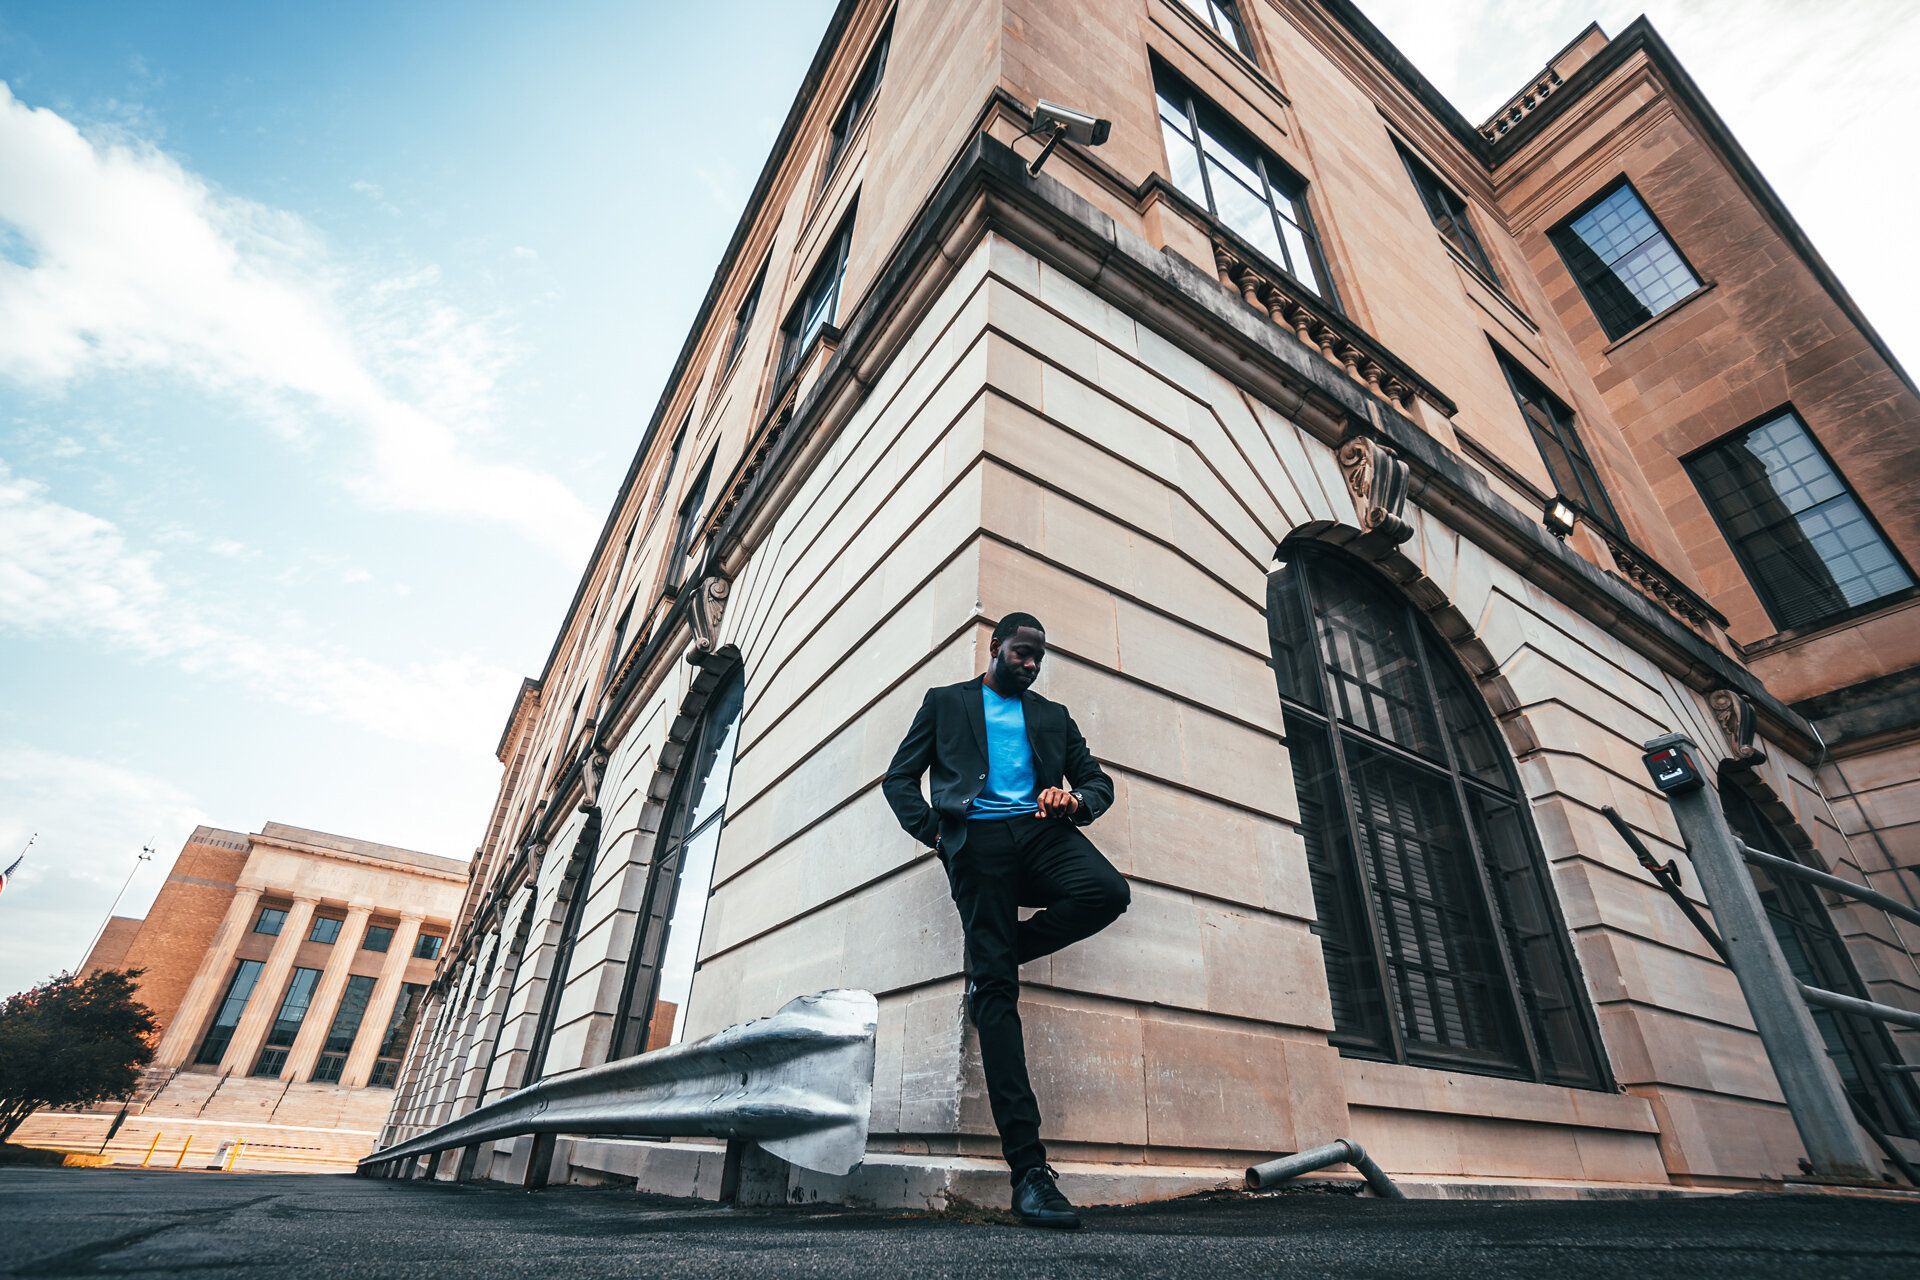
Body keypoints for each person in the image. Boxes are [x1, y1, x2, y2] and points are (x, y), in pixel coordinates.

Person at [883, 611, 1128, 1229]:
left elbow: (1098, 781)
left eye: (1039, 656)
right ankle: (1029, 1175)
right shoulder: (946, 703)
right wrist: (940, 834)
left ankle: (998, 953)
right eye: (1022, 651)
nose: (1031, 663)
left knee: (1105, 892)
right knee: (997, 995)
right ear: (995, 646)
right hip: (979, 841)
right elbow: (898, 779)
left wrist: (1074, 799)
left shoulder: (1051, 715)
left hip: (1043, 834)